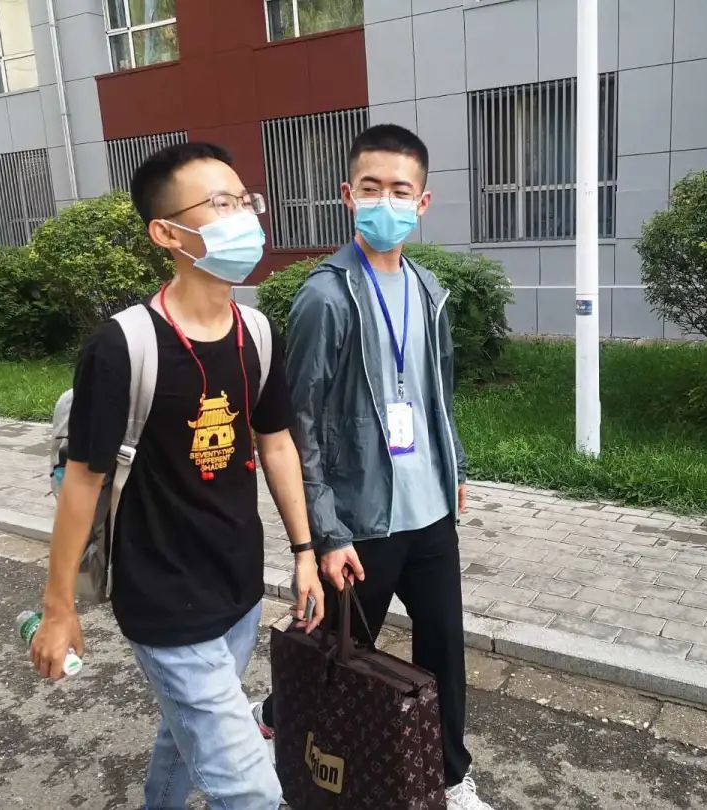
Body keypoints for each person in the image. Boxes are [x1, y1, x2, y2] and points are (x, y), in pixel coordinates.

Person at [29, 142, 325, 810]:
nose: (243, 216)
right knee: (252, 790)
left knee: (183, 734)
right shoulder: (122, 347)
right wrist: (58, 607)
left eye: (244, 200)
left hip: (238, 588)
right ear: (166, 233)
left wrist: (304, 552)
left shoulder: (257, 333)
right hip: (162, 599)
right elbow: (83, 482)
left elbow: (277, 444)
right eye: (220, 204)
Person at [253, 125, 494, 810]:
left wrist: (455, 468)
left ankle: (449, 778)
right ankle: (278, 724)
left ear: (423, 202)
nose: (386, 201)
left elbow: (437, 394)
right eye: (371, 188)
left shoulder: (428, 288)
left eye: (400, 190)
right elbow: (301, 425)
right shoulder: (326, 297)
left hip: (430, 512)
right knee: (339, 650)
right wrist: (326, 533)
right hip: (362, 520)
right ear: (348, 196)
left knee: (443, 649)